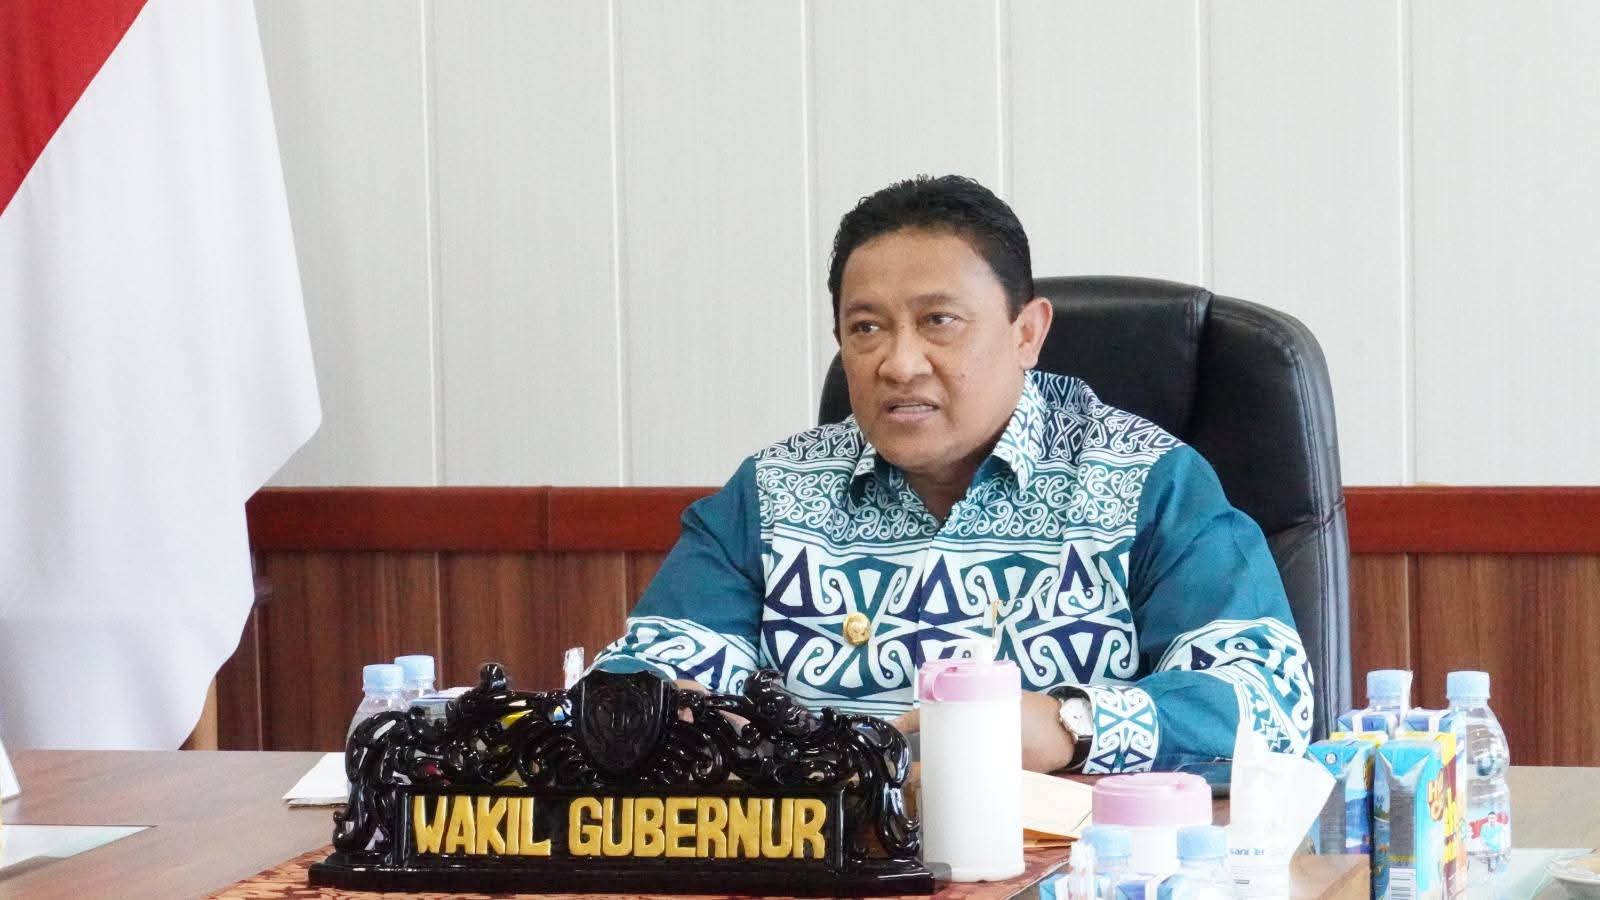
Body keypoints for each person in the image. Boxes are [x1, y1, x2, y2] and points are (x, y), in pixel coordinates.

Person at [592, 175, 1312, 774]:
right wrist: (668, 720)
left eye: (939, 320)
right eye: (866, 328)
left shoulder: (1146, 480)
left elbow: (1267, 704)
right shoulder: (775, 493)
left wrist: (1068, 727)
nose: (899, 363)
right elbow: (626, 691)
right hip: (830, 867)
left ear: (1026, 332)